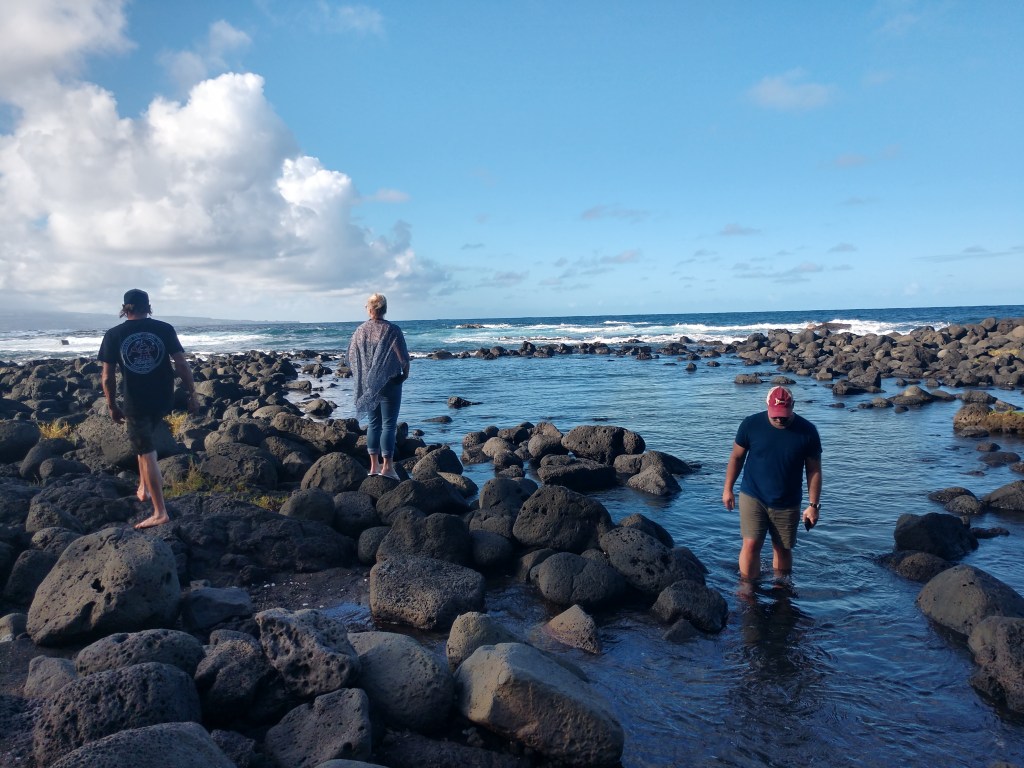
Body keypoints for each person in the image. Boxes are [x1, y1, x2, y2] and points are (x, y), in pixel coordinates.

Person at [99, 289, 198, 529]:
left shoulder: (114, 334)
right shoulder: (164, 329)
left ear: (125, 308)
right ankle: (143, 487)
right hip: (163, 397)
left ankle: (160, 511)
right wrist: (192, 394)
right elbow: (181, 364)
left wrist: (112, 405)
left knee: (146, 451)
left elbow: (107, 376)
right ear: (148, 306)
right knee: (142, 440)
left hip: (136, 400)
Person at [722, 385, 822, 580]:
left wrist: (813, 505)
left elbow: (814, 470)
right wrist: (728, 489)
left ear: (793, 405)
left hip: (788, 500)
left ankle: (781, 589)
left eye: (784, 414)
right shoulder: (750, 424)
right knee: (751, 544)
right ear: (767, 405)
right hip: (753, 495)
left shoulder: (808, 431)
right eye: (775, 415)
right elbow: (736, 457)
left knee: (782, 548)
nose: (779, 419)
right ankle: (747, 587)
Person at [348, 293, 410, 480]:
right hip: (390, 382)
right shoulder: (392, 330)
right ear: (385, 309)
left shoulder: (360, 331)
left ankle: (374, 467)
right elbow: (403, 358)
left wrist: (363, 376)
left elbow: (351, 357)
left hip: (369, 384)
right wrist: (405, 375)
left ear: (369, 309)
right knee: (389, 425)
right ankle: (387, 468)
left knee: (373, 424)